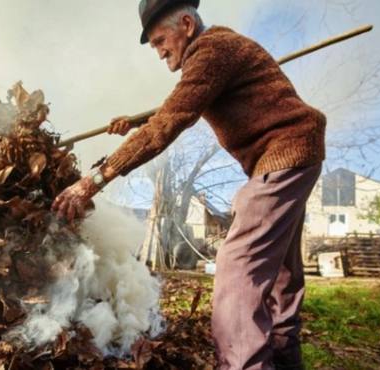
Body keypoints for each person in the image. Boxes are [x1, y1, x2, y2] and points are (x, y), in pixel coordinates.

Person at [52, 1, 325, 369]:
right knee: (280, 272)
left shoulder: (212, 51)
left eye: (161, 40)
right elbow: (174, 107)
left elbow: (170, 120)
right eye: (153, 46)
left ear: (186, 24)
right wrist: (133, 122)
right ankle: (283, 356)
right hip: (297, 154)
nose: (159, 51)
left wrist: (95, 178)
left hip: (283, 155)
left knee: (238, 266)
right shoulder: (217, 52)